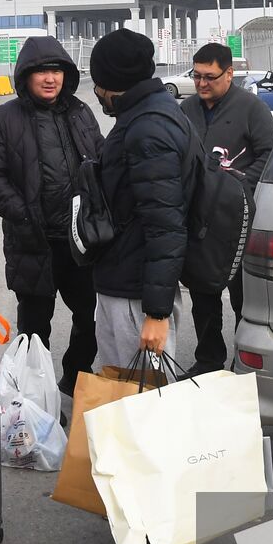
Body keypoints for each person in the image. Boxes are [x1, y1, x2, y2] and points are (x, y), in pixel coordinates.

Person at [0, 36, 104, 397]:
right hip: (33, 242)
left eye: (57, 70)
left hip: (81, 241)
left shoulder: (80, 112)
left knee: (90, 316)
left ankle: (77, 374)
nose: (50, 78)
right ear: (26, 76)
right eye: (42, 71)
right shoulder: (3, 119)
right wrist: (23, 214)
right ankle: (33, 397)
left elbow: (101, 161)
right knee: (33, 328)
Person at [88, 29, 193, 368]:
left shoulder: (147, 129)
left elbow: (166, 224)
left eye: (98, 83)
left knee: (145, 405)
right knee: (124, 399)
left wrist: (157, 314)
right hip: (127, 283)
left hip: (135, 295)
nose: (97, 93)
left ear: (110, 83)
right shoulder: (147, 114)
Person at [178, 42, 273, 374]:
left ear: (229, 73)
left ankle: (244, 360)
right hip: (200, 220)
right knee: (203, 293)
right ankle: (208, 359)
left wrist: (239, 189)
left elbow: (269, 153)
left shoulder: (251, 108)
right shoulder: (186, 109)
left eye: (210, 77)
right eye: (197, 76)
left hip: (237, 220)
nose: (202, 84)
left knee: (242, 297)